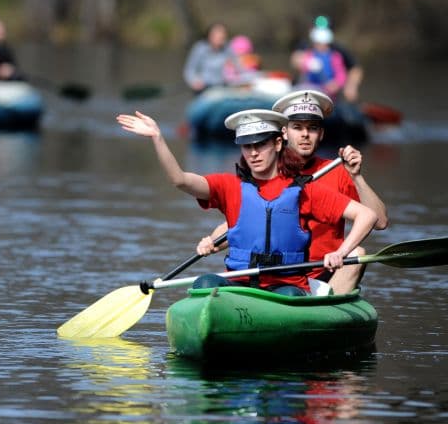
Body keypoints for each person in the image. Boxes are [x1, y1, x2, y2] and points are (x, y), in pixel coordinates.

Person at [116, 108, 378, 296]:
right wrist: (158, 139)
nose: (253, 153)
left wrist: (341, 252)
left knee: (289, 299)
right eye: (246, 145)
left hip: (286, 288)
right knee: (204, 285)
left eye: (260, 144)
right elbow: (180, 180)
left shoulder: (304, 191)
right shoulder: (230, 186)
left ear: (277, 144)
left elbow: (368, 216)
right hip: (239, 283)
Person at [196, 90, 389, 294]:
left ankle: (319, 313)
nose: (305, 134)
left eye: (312, 128)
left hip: (323, 272)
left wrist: (356, 177)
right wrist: (212, 241)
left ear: (321, 134)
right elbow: (244, 222)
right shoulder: (264, 171)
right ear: (284, 133)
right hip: (275, 275)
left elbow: (380, 222)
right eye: (297, 127)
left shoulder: (338, 171)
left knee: (357, 254)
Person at [291, 16, 364, 101]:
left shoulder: (337, 52)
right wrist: (305, 63)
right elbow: (296, 59)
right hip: (306, 89)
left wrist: (350, 86)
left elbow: (352, 70)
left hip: (327, 93)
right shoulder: (306, 47)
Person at [183, 22, 243, 92]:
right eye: (218, 34)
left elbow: (239, 67)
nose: (221, 36)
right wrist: (194, 81)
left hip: (224, 86)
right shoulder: (200, 48)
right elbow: (190, 70)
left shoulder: (228, 48)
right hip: (205, 87)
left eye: (223, 34)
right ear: (210, 36)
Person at [292, 24, 347, 98]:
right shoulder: (309, 54)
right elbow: (299, 63)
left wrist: (335, 85)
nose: (317, 45)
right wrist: (306, 64)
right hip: (308, 88)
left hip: (325, 91)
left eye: (319, 43)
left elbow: (341, 75)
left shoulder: (335, 56)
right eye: (316, 43)